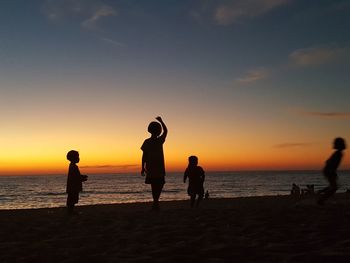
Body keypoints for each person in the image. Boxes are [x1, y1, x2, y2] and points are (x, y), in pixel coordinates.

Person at [141, 116, 168, 211]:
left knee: (156, 185)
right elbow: (166, 131)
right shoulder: (155, 141)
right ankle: (156, 202)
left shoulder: (154, 141)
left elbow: (144, 156)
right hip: (156, 167)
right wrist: (161, 121)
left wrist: (142, 167)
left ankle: (155, 202)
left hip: (153, 167)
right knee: (158, 185)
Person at [317, 137, 347, 205]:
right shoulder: (338, 153)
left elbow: (328, 162)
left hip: (330, 171)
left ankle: (320, 193)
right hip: (329, 171)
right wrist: (331, 171)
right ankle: (321, 200)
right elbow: (329, 162)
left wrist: (333, 171)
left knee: (333, 186)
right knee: (334, 187)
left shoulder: (338, 153)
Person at [66, 150, 88, 215]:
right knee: (72, 199)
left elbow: (76, 176)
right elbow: (75, 177)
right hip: (73, 186)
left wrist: (82, 177)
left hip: (73, 186)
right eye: (77, 157)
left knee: (72, 199)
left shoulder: (73, 166)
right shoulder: (73, 166)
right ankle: (70, 211)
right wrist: (82, 178)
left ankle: (70, 211)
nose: (79, 158)